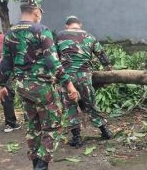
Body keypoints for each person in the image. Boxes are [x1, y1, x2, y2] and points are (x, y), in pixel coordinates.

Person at [0, 1, 78, 169]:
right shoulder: (41, 30)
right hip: (42, 87)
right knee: (52, 126)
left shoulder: (10, 33)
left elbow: (5, 62)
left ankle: (36, 163)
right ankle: (41, 167)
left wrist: (1, 85)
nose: (40, 15)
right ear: (35, 11)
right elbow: (52, 61)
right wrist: (69, 84)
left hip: (22, 87)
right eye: (40, 12)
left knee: (34, 126)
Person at [56, 16, 113, 148]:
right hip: (85, 76)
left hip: (66, 78)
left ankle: (77, 138)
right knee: (90, 104)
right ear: (80, 25)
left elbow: (54, 56)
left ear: (66, 25)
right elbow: (102, 55)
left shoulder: (60, 36)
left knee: (70, 106)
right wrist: (109, 70)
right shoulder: (89, 36)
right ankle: (105, 131)